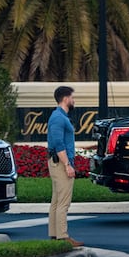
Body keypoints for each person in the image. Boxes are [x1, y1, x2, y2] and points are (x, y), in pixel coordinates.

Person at [47, 86, 83, 247]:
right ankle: (62, 236)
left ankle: (55, 235)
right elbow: (58, 143)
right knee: (63, 202)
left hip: (57, 162)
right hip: (60, 163)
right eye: (72, 97)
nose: (73, 100)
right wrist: (67, 164)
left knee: (56, 201)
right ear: (65, 99)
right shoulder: (58, 118)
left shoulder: (59, 117)